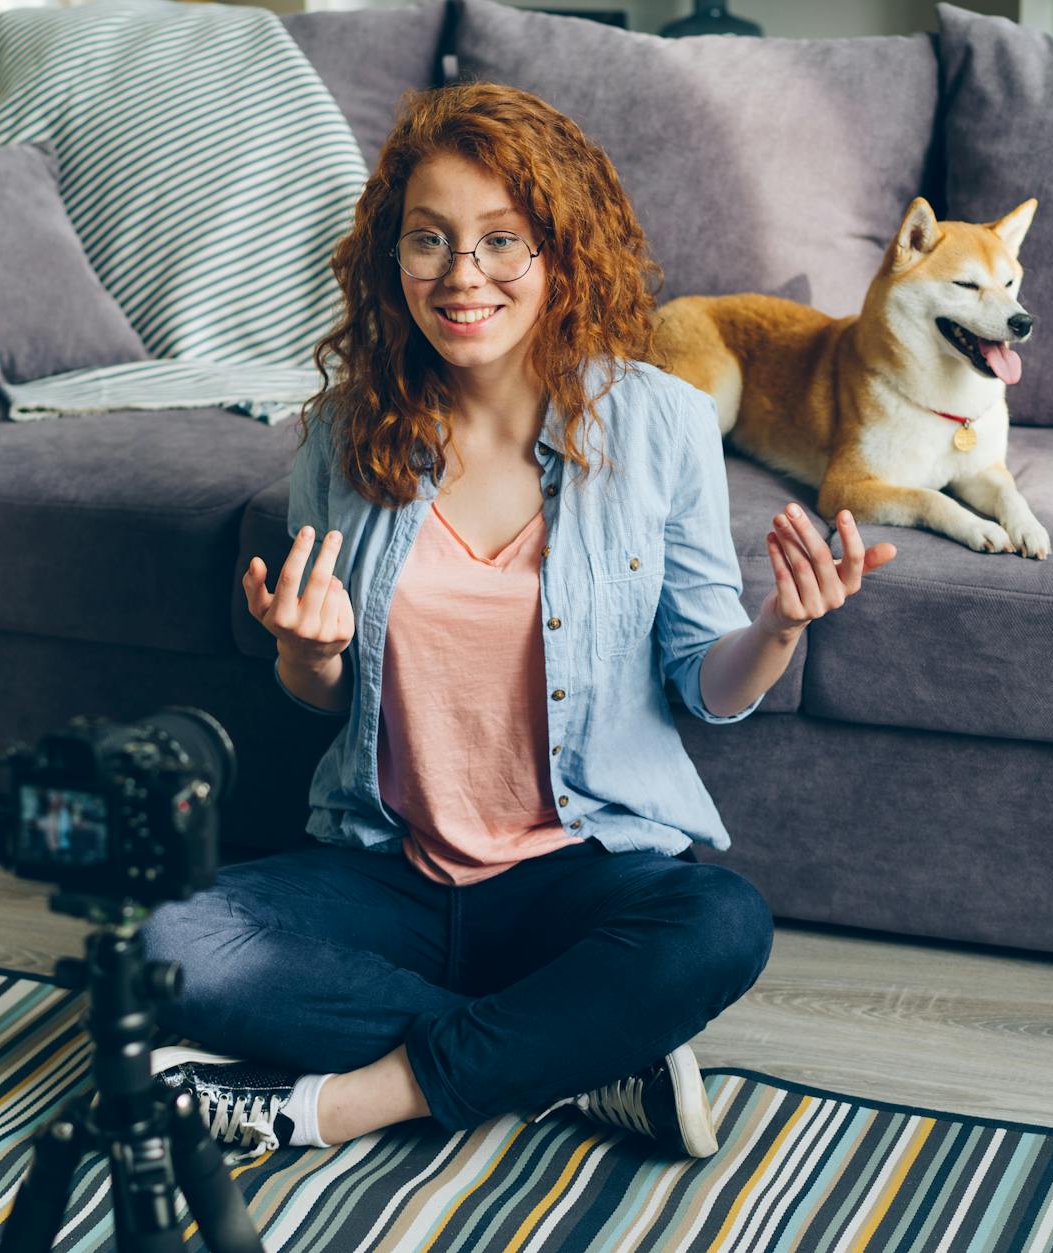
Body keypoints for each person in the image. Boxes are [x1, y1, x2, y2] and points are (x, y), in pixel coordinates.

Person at [141, 81, 896, 1162]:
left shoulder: (661, 422)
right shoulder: (345, 435)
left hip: (580, 867)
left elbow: (704, 681)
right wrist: (305, 651)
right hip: (388, 866)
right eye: (429, 240)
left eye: (502, 240)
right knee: (163, 934)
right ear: (387, 257)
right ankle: (576, 1052)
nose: (462, 277)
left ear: (559, 251)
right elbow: (330, 699)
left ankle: (341, 1101)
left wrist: (779, 623)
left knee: (720, 923)